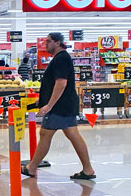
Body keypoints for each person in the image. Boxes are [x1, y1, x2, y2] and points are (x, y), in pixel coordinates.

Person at [22, 32, 95, 180]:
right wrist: (42, 100)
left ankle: (32, 167)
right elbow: (55, 84)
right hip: (65, 104)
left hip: (59, 107)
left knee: (45, 134)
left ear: (57, 42)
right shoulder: (61, 58)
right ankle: (88, 169)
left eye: (48, 41)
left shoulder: (61, 58)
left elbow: (61, 83)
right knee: (73, 134)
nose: (45, 44)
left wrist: (49, 105)